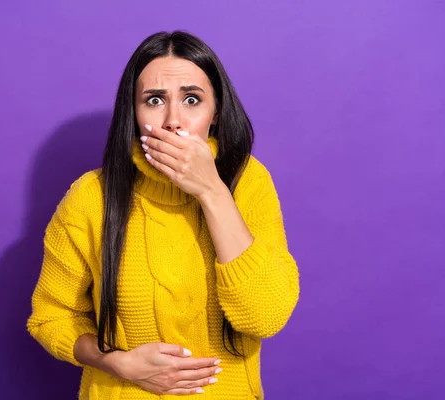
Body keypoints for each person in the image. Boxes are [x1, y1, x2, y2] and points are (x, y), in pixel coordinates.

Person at [26, 30, 300, 399]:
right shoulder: (91, 197)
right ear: (134, 113)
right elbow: (50, 317)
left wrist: (211, 191)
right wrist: (114, 361)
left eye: (191, 99)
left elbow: (266, 315)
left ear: (216, 111)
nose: (174, 120)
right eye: (154, 100)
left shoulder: (248, 183)